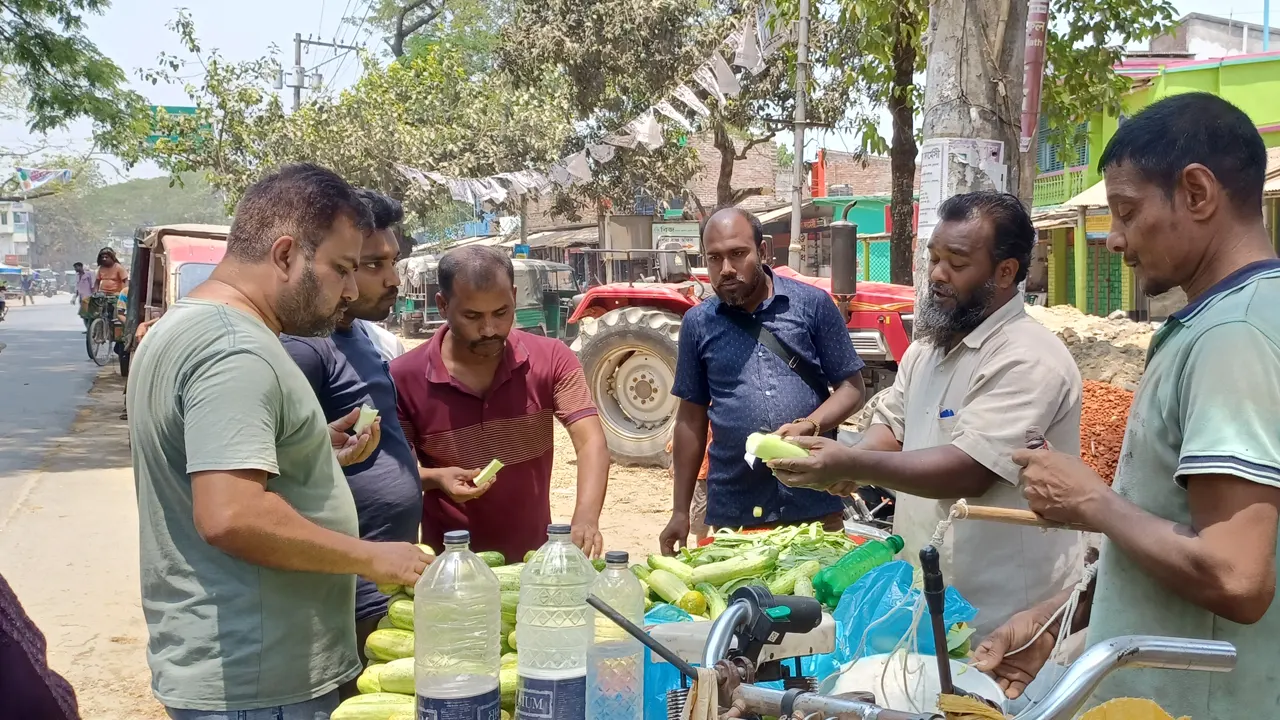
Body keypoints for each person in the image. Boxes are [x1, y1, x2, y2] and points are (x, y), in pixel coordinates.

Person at [972, 94, 1280, 717]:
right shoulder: (1228, 321)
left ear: (1197, 193)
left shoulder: (1234, 338)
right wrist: (1057, 625)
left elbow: (1237, 577)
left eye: (1127, 211)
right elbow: (1169, 533)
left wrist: (1091, 502)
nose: (1112, 238)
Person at [127, 163, 431, 719]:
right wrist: (370, 557)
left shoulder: (188, 326)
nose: (348, 290)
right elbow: (230, 515)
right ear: (286, 254)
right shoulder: (234, 350)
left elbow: (212, 460)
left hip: (238, 665)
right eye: (341, 268)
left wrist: (310, 449)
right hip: (259, 678)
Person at [768, 192, 1084, 638]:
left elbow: (970, 470)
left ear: (1005, 271)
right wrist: (843, 467)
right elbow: (893, 431)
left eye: (956, 262)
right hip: (923, 601)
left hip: (1005, 617)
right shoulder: (927, 350)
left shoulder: (1028, 358)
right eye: (934, 258)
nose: (937, 274)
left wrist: (852, 462)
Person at [660, 208, 867, 556]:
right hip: (735, 510)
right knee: (742, 603)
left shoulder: (812, 305)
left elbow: (852, 388)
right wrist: (680, 511)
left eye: (738, 254)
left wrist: (810, 425)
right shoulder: (698, 324)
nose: (726, 268)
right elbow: (690, 419)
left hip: (815, 502)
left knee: (820, 603)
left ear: (763, 252)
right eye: (714, 258)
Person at [391, 245, 611, 561]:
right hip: (449, 569)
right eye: (472, 316)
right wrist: (438, 478)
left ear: (514, 296)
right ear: (442, 305)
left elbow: (590, 441)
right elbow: (395, 474)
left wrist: (586, 518)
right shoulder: (403, 378)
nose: (490, 329)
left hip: (532, 564)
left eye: (501, 312)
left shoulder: (551, 358)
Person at [280, 188, 421, 673]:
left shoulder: (359, 334)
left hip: (387, 581)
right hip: (351, 591)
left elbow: (346, 450)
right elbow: (280, 469)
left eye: (394, 261)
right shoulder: (302, 348)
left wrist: (428, 476)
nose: (393, 279)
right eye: (372, 265)